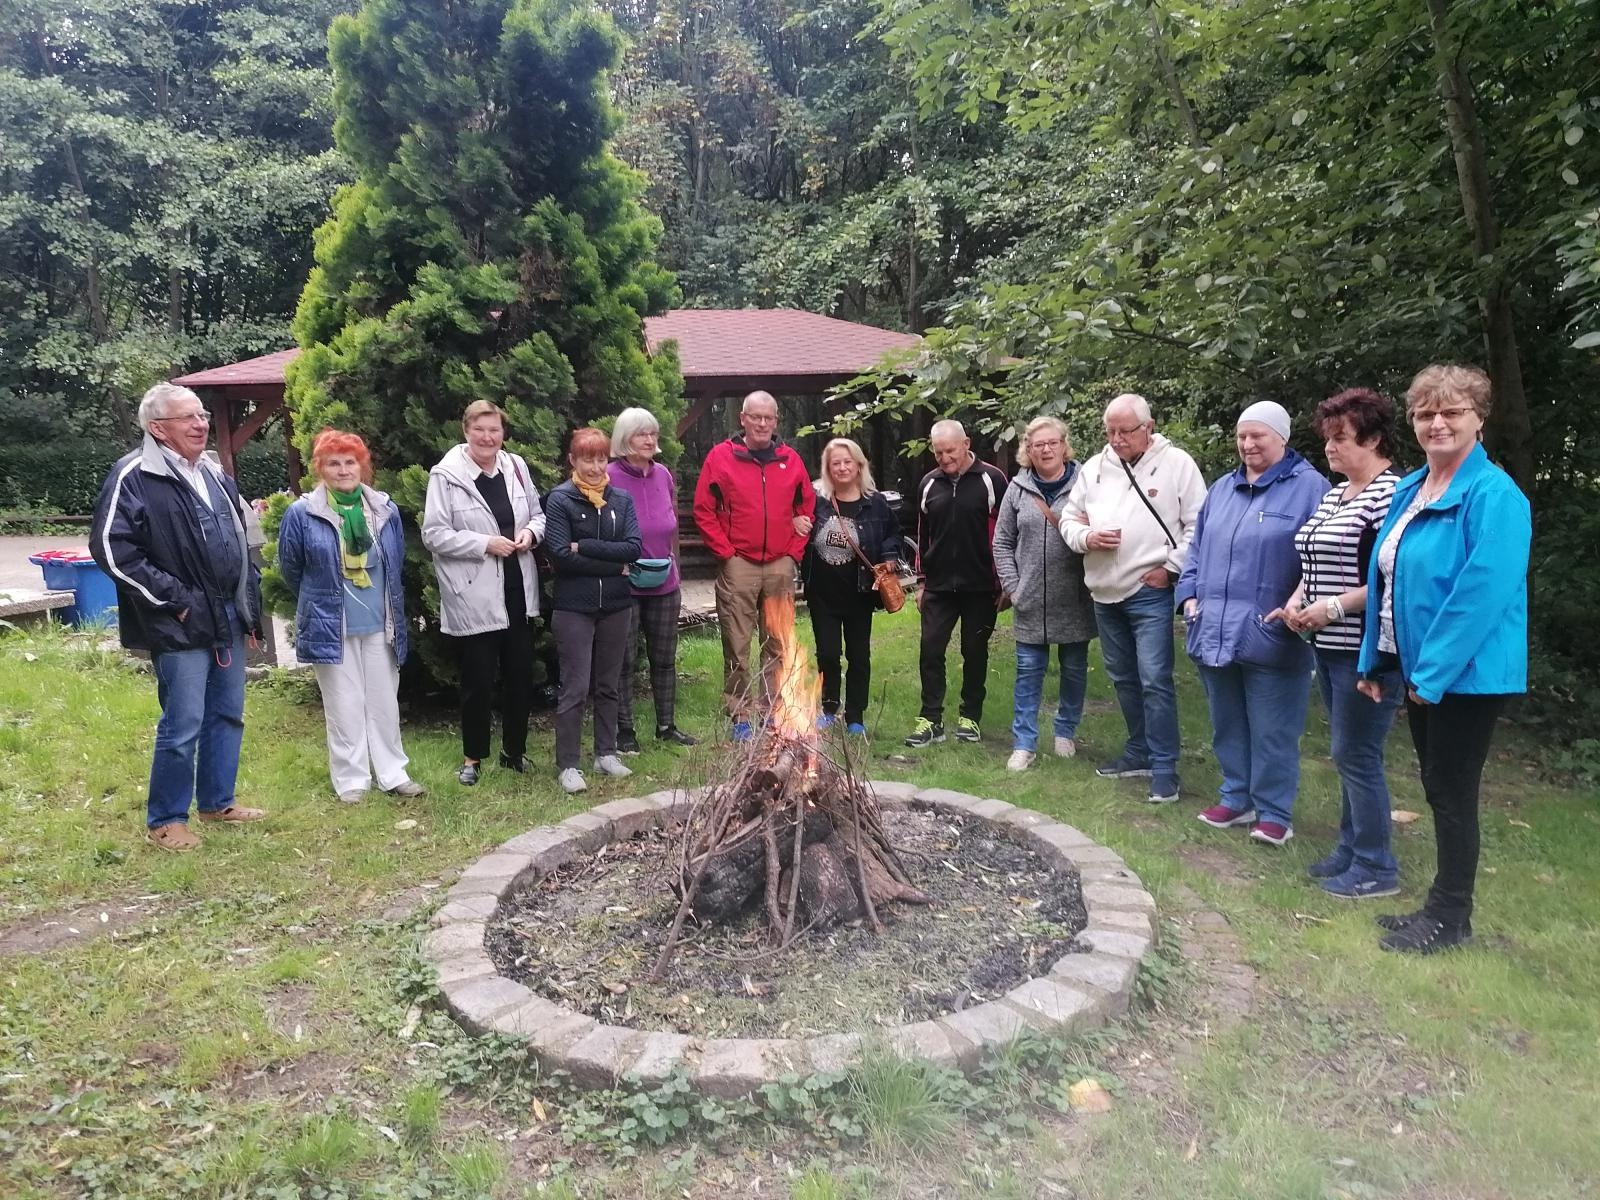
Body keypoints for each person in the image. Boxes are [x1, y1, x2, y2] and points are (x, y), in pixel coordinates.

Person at [1357, 364, 1530, 954]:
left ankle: (1450, 917)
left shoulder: (1495, 496)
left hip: (1469, 675)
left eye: (1452, 411)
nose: (1438, 423)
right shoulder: (1411, 488)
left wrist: (1429, 676)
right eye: (1426, 413)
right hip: (1420, 670)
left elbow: (1479, 596)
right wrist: (1375, 662)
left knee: (1452, 793)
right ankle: (1439, 906)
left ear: (1479, 418)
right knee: (1438, 788)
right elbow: (1387, 583)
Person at [90, 383, 267, 851]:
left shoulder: (210, 472)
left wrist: (248, 612)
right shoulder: (133, 474)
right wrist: (176, 600)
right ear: (158, 428)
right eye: (187, 417)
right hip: (180, 620)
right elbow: (113, 549)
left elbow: (240, 542)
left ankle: (216, 801)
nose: (200, 423)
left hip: (227, 614)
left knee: (227, 714)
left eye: (202, 415)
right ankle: (166, 819)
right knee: (183, 721)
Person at [1263, 390, 1401, 898]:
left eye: (1341, 439)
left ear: (1374, 437)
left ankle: (1377, 865)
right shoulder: (1336, 493)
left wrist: (1334, 608)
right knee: (1347, 752)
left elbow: (1392, 577)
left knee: (1357, 753)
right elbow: (1314, 561)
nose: (1330, 449)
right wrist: (1298, 603)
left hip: (1367, 646)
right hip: (1327, 642)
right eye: (1327, 440)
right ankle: (1350, 848)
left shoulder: (1391, 495)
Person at [1176, 401, 1329, 845]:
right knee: (1227, 722)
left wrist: (1301, 605)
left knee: (1273, 728)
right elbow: (1197, 549)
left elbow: (1321, 561)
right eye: (1242, 436)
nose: (1247, 444)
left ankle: (1275, 811)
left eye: (1257, 435)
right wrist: (1187, 597)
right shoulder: (1222, 488)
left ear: (1282, 437)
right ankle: (1235, 796)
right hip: (1213, 628)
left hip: (1272, 632)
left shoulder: (1310, 489)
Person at [1060, 394, 1206, 802]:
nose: (1118, 439)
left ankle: (1164, 766)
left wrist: (1171, 568)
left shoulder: (1177, 465)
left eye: (1126, 431)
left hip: (1149, 589)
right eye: (1111, 431)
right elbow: (1069, 519)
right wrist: (1088, 537)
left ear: (1149, 427)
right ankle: (1139, 750)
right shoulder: (1094, 469)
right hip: (1104, 590)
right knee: (1123, 677)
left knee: (1155, 679)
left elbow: (1199, 524)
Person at [276, 430, 426, 804]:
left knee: (384, 702)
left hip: (380, 621)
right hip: (333, 624)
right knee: (343, 705)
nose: (343, 470)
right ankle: (352, 781)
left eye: (350, 462)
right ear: (320, 470)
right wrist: (322, 600)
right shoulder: (303, 513)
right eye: (333, 463)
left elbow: (394, 565)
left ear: (363, 466)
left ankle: (393, 774)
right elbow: (292, 568)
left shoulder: (383, 509)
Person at [421, 401, 545, 785]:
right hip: (474, 594)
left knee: (520, 678)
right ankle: (472, 758)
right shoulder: (446, 476)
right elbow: (434, 534)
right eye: (480, 430)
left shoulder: (517, 467)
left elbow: (539, 515)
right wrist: (484, 543)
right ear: (466, 432)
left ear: (503, 433)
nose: (488, 437)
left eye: (494, 430)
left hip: (517, 590)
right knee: (477, 682)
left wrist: (530, 534)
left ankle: (514, 752)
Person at [693, 390, 816, 740]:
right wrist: (725, 554)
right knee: (737, 640)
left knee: (777, 641)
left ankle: (775, 708)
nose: (762, 423)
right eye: (755, 417)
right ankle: (741, 713)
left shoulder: (790, 460)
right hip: (739, 563)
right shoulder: (721, 458)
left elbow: (806, 507)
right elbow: (703, 509)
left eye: (769, 418)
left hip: (780, 562)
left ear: (776, 421)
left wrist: (794, 553)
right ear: (742, 419)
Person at [545, 427, 644, 794]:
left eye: (601, 458)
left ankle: (606, 752)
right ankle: (568, 764)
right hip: (574, 607)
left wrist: (584, 545)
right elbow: (560, 557)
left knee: (609, 683)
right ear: (573, 460)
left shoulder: (621, 499)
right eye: (587, 458)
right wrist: (612, 563)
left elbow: (633, 549)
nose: (594, 466)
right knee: (575, 686)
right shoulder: (559, 500)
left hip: (617, 605)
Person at [993, 416, 1095, 771]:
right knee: (1027, 671)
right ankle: (1024, 742)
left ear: (1064, 446)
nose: (1046, 449)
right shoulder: (1017, 490)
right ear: (1028, 450)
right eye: (1038, 445)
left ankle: (1065, 731)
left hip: (1077, 597)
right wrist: (1013, 586)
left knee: (1074, 669)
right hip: (1030, 598)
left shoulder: (1088, 484)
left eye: (1052, 443)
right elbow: (1002, 542)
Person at [905, 420, 1010, 747]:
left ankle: (970, 717)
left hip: (981, 585)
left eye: (950, 450)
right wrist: (921, 581)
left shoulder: (992, 479)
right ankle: (930, 718)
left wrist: (1005, 580)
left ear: (966, 443)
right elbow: (922, 535)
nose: (944, 458)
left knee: (974, 650)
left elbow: (1008, 531)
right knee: (930, 651)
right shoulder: (928, 483)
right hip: (937, 585)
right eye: (938, 452)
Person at [606, 407, 696, 750]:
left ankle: (666, 725)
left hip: (664, 582)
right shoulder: (610, 477)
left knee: (664, 658)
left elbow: (669, 525)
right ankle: (624, 731)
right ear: (624, 439)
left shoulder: (663, 476)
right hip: (624, 583)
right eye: (641, 434)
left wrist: (677, 567)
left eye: (653, 434)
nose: (649, 440)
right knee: (624, 660)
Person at [803, 437, 903, 737]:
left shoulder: (875, 502)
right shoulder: (815, 500)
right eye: (836, 463)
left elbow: (894, 535)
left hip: (860, 593)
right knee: (829, 653)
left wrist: (888, 557)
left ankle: (856, 715)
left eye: (848, 462)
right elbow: (798, 528)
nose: (843, 468)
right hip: (823, 593)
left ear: (859, 465)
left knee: (859, 656)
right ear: (828, 468)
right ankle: (829, 708)